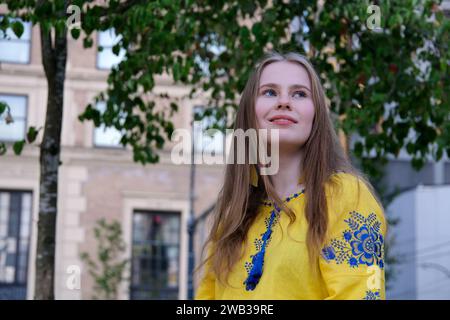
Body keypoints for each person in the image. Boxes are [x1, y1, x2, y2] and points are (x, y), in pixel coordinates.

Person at [194, 51, 386, 300]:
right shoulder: (233, 216)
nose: (284, 102)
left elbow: (362, 296)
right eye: (270, 92)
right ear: (249, 113)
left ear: (316, 115)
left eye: (300, 94)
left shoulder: (347, 195)